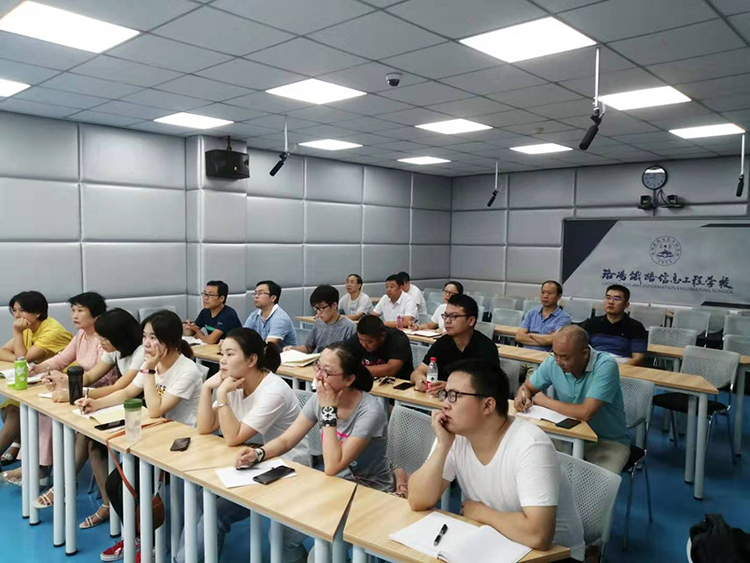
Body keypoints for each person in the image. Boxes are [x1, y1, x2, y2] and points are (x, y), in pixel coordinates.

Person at [408, 359, 585, 562]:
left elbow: (539, 535)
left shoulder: (530, 445)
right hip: (497, 541)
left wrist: (481, 512)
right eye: (445, 394)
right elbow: (417, 499)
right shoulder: (455, 435)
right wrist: (442, 445)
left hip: (553, 556)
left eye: (454, 396)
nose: (445, 404)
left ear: (488, 405)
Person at [75, 310, 203, 562]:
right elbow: (127, 393)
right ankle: (140, 537)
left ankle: (151, 541)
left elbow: (155, 410)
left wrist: (151, 372)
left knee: (131, 486)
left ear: (171, 340)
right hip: (156, 437)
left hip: (183, 444)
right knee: (116, 484)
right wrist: (95, 403)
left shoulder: (187, 371)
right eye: (144, 336)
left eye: (153, 337)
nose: (146, 343)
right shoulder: (150, 363)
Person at [173, 328, 309, 563]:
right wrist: (207, 388)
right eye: (222, 354)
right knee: (199, 498)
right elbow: (205, 427)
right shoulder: (234, 383)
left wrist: (222, 395)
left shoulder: (273, 390)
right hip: (249, 461)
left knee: (216, 512)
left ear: (252, 360)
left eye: (230, 354)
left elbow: (233, 437)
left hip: (286, 468)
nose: (222, 361)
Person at [235, 342, 394, 492]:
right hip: (336, 483)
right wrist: (259, 454)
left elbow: (333, 466)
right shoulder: (321, 398)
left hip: (371, 489)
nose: (318, 376)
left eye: (327, 372)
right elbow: (287, 440)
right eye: (318, 366)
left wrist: (328, 410)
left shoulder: (370, 412)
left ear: (349, 379)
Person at [18, 293, 117, 529]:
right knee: (45, 414)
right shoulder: (81, 335)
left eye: (80, 310)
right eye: (73, 310)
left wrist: (65, 382)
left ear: (96, 315)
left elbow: (98, 377)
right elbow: (62, 359)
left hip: (101, 396)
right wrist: (37, 369)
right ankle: (48, 474)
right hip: (82, 393)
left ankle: (60, 483)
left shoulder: (105, 340)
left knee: (82, 435)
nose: (74, 315)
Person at [514, 325, 630, 475]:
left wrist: (545, 401)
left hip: (607, 441)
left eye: (565, 357)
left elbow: (585, 413)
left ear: (584, 353)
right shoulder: (553, 361)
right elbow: (527, 387)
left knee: (601, 486)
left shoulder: (605, 365)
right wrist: (522, 397)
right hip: (568, 434)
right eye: (555, 354)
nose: (558, 361)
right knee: (536, 468)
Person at [0, 291, 72, 466]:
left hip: (61, 383)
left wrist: (17, 333)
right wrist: (20, 359)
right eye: (14, 310)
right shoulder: (28, 327)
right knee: (8, 408)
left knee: (15, 412)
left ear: (37, 313)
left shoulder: (52, 331)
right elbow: (4, 352)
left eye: (21, 310)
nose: (16, 316)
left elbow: (24, 358)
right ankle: (17, 444)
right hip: (39, 379)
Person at [411, 294, 499, 395]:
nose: (447, 321)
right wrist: (419, 378)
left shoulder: (486, 347)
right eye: (445, 316)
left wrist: (450, 387)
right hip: (440, 399)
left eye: (453, 316)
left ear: (471, 321)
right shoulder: (442, 343)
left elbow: (490, 386)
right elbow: (417, 372)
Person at [579, 285, 647, 366]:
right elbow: (580, 349)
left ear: (626, 305)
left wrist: (618, 369)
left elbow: (638, 358)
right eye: (608, 298)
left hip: (621, 364)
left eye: (616, 299)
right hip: (594, 362)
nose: (611, 302)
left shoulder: (635, 327)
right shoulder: (592, 322)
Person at [284, 285, 355, 354]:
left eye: (321, 308)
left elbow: (351, 356)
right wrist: (293, 349)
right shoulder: (319, 323)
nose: (318, 312)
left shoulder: (349, 327)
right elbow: (308, 348)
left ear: (334, 305)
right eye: (316, 308)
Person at [344, 316, 412, 381]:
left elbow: (391, 369)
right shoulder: (361, 337)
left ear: (382, 336)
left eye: (369, 342)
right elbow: (342, 354)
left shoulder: (398, 339)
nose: (364, 345)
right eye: (361, 340)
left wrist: (355, 371)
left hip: (397, 384)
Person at [515, 281, 571, 352]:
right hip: (524, 353)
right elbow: (519, 336)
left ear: (559, 297)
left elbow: (554, 340)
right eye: (543, 292)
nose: (545, 296)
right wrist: (545, 340)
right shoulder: (531, 313)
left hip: (545, 355)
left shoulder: (564, 318)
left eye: (549, 293)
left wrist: (530, 335)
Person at [183, 280, 242, 344]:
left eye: (210, 295)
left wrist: (198, 333)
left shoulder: (228, 314)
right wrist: (188, 328)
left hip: (235, 347)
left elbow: (211, 340)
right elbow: (191, 332)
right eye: (205, 294)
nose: (205, 298)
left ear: (221, 298)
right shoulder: (205, 312)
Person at [243, 280, 298, 349]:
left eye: (260, 293)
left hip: (282, 355)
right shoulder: (254, 315)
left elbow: (268, 346)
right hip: (261, 353)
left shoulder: (281, 318)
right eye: (255, 293)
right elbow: (243, 337)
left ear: (273, 298)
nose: (256, 296)